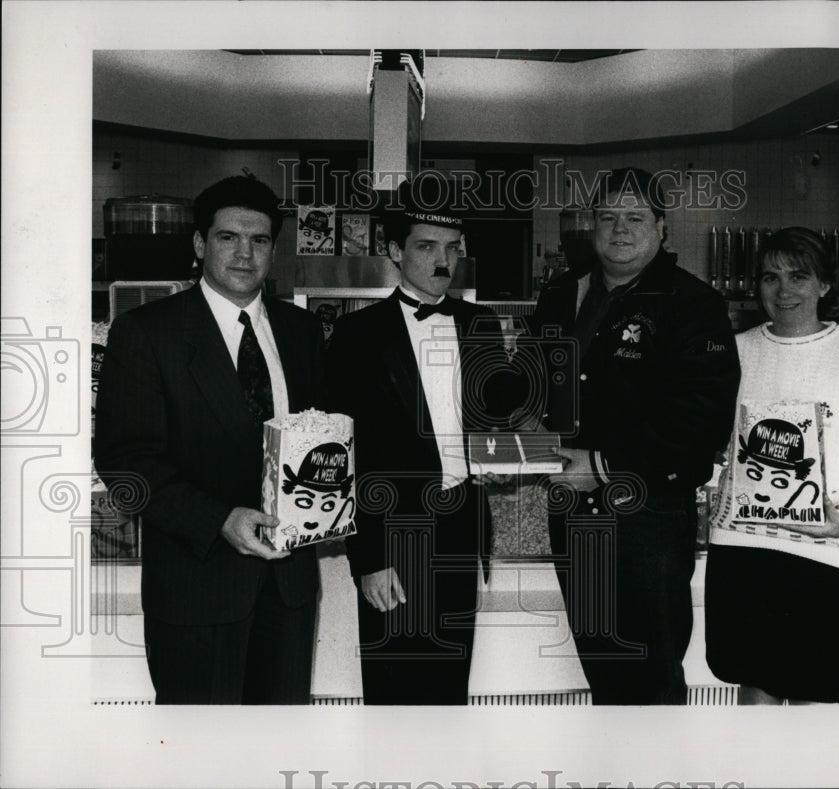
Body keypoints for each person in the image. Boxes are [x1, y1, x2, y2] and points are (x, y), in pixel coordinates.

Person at [94, 175, 326, 704]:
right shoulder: (147, 333)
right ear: (199, 245)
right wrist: (219, 519)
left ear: (273, 248)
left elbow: (318, 440)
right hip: (195, 591)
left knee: (277, 756)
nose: (245, 254)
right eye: (228, 238)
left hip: (288, 593)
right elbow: (125, 463)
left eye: (260, 240)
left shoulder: (301, 332)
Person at [529, 167, 741, 704]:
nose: (619, 229)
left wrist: (599, 465)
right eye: (607, 217)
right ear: (591, 225)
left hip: (647, 518)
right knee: (603, 672)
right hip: (573, 515)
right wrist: (523, 419)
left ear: (661, 227)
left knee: (650, 677)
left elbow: (701, 420)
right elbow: (530, 377)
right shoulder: (563, 292)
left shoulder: (694, 304)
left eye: (635, 217)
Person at [705, 226, 839, 704]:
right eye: (770, 277)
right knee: (755, 701)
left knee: (819, 715)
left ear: (825, 285)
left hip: (829, 558)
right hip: (745, 552)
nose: (784, 290)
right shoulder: (736, 352)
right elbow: (713, 448)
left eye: (799, 276)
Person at [327, 197, 516, 704]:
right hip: (394, 533)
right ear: (394, 250)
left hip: (460, 525)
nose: (442, 261)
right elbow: (346, 457)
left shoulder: (482, 325)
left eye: (453, 249)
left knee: (449, 688)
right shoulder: (355, 335)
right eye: (427, 246)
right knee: (394, 693)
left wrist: (498, 464)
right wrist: (368, 558)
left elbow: (492, 422)